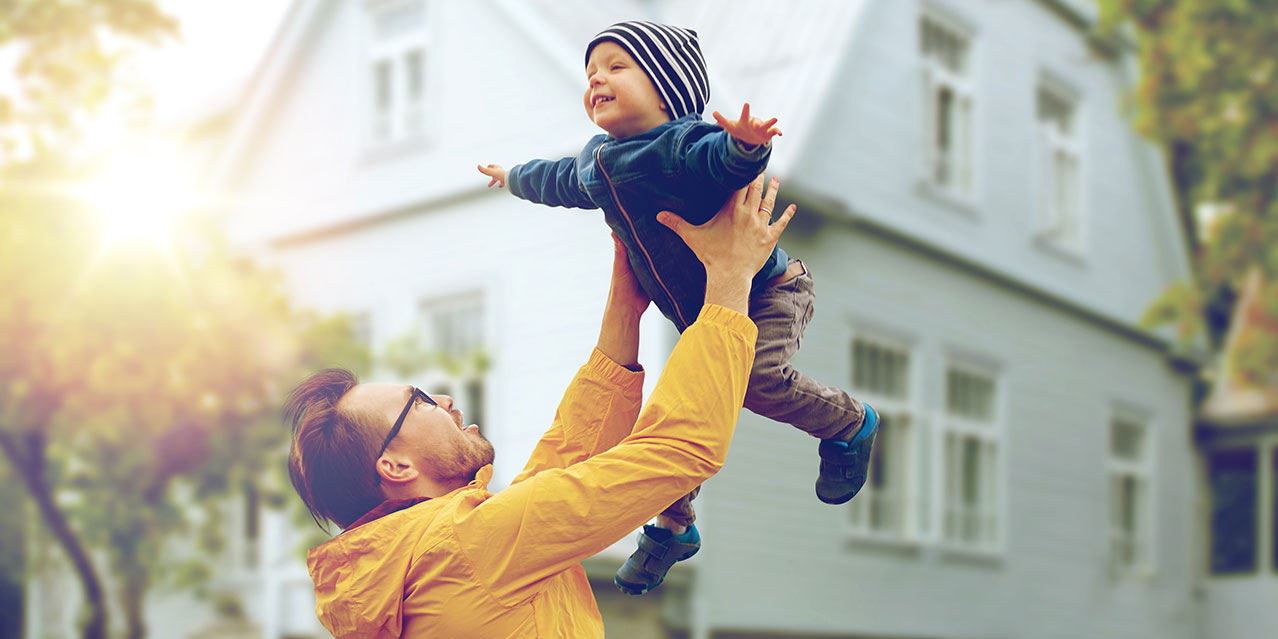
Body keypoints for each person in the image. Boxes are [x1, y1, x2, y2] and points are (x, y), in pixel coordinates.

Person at [286, 176, 794, 638]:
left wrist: (624, 306)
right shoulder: (465, 545)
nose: (442, 399)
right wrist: (730, 277)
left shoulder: (413, 562)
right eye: (418, 402)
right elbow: (679, 449)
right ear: (395, 466)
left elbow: (564, 465)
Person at [477, 20, 879, 595]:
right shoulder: (596, 161)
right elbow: (557, 178)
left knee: (757, 382)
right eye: (590, 73)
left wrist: (745, 144)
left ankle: (849, 423)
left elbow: (721, 160)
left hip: (769, 290)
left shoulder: (681, 143)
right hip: (704, 317)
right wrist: (514, 176)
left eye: (616, 67)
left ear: (667, 88)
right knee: (676, 414)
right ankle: (673, 528)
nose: (597, 80)